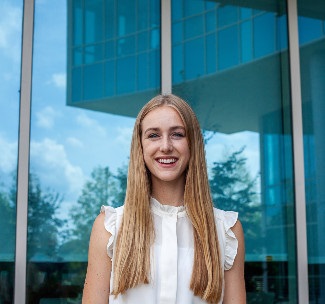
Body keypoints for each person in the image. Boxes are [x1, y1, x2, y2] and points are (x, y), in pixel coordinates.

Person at [82, 94, 246, 304]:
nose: (166, 146)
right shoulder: (110, 228)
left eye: (177, 134)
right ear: (140, 147)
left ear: (193, 144)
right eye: (153, 135)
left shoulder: (227, 231)